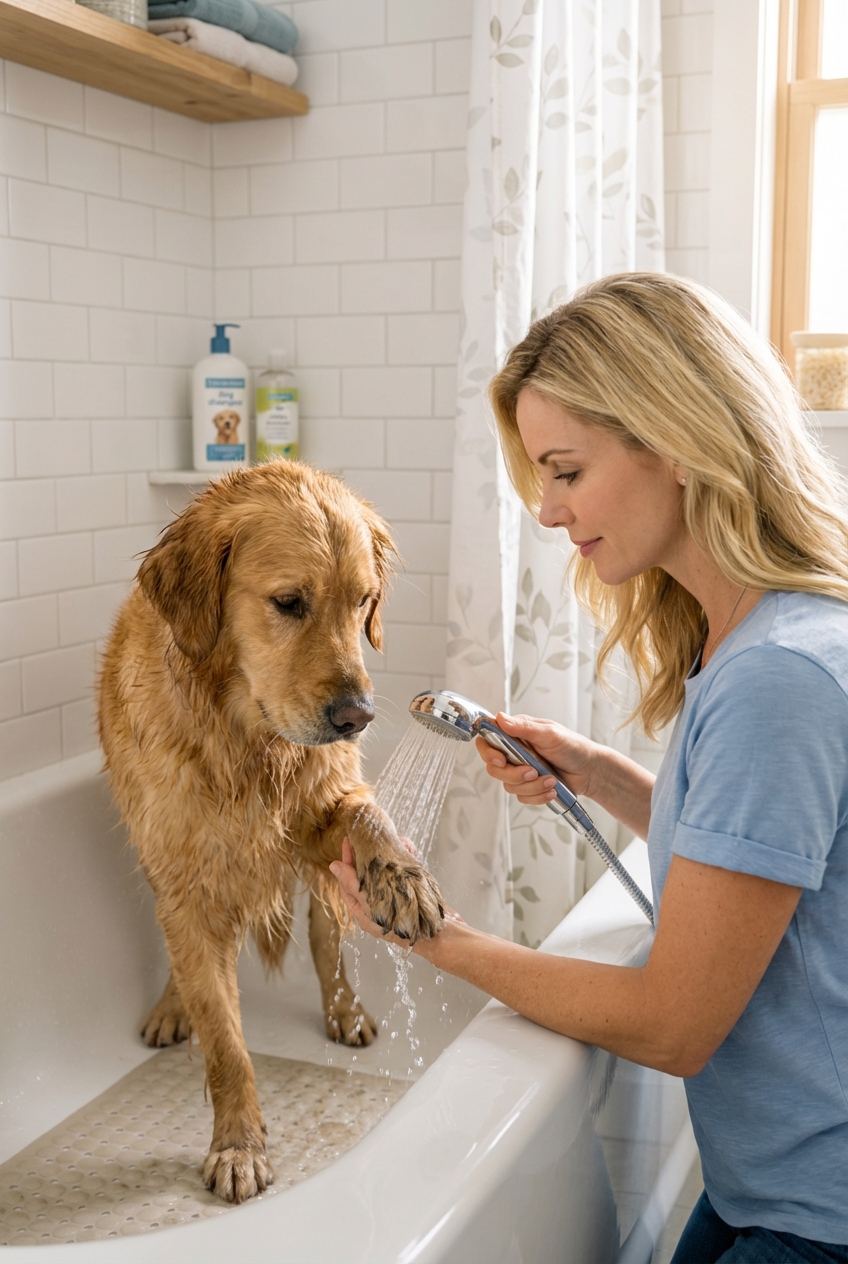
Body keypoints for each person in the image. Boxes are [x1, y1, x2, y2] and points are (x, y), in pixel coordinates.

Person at [330, 273, 848, 1264]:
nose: (545, 510)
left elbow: (670, 1025)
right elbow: (778, 873)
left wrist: (433, 935)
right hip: (774, 1184)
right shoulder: (764, 638)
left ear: (677, 440)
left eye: (564, 470)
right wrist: (603, 776)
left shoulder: (774, 676)